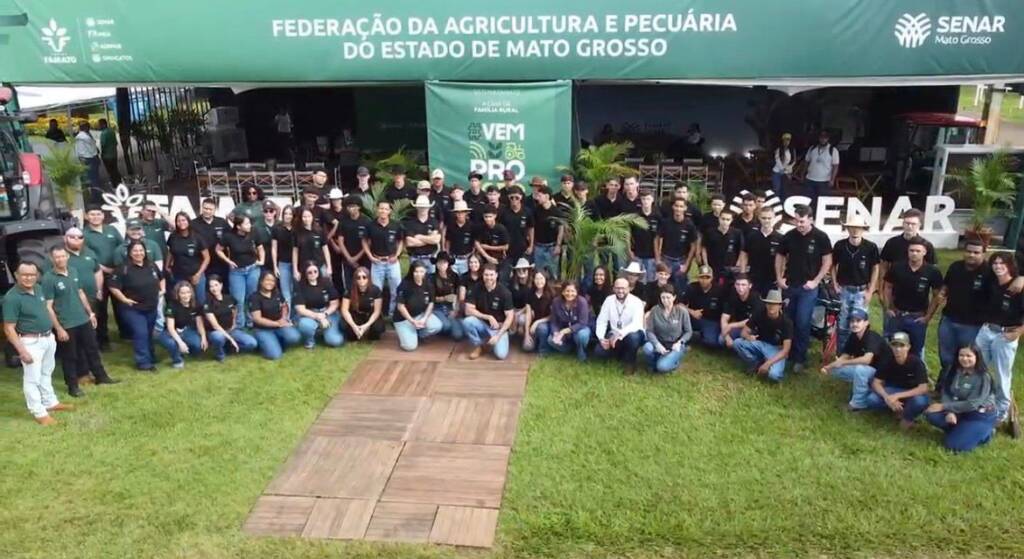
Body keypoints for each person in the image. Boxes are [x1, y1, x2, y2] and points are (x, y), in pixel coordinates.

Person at [42, 246, 117, 397]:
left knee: (92, 349)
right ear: (52, 259)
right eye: (57, 257)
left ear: (67, 257)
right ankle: (72, 386)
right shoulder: (48, 279)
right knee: (70, 356)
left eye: (63, 256)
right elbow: (48, 307)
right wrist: (59, 328)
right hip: (67, 323)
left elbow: (80, 293)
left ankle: (101, 377)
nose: (61, 259)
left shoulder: (73, 271)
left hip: (83, 319)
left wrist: (90, 313)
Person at [3, 262, 71, 425]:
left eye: (32, 275)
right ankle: (39, 412)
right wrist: (22, 350)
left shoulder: (39, 289)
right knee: (32, 378)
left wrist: (58, 329)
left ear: (36, 276)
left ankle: (50, 402)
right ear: (16, 275)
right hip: (30, 341)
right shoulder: (11, 298)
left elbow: (47, 310)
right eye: (24, 275)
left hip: (47, 338)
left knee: (46, 372)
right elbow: (8, 329)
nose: (29, 278)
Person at [775, 204, 832, 372]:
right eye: (796, 221)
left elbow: (827, 261)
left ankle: (800, 358)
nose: (798, 224)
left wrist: (816, 281)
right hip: (790, 285)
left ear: (811, 219)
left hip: (808, 287)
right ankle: (787, 354)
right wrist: (779, 277)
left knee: (802, 321)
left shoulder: (821, 237)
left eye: (802, 221)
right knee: (788, 321)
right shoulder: (789, 236)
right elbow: (779, 255)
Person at [974, 252, 1024, 427]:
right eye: (995, 263)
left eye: (1002, 263)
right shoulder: (992, 282)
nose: (998, 266)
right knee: (980, 369)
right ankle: (984, 402)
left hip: (1006, 335)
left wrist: (1018, 332)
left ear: (1011, 265)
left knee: (1002, 375)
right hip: (987, 330)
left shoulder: (1019, 287)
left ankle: (1002, 413)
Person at [925, 345, 999, 452]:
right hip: (960, 411)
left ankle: (986, 433)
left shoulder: (983, 377)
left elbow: (972, 404)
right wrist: (949, 411)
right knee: (931, 414)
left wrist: (943, 406)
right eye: (961, 355)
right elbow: (946, 392)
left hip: (978, 415)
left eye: (969, 356)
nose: (964, 359)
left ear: (977, 357)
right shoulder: (954, 371)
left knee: (954, 446)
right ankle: (963, 430)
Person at [882, 236, 942, 359]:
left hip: (917, 318)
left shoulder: (932, 271)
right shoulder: (897, 267)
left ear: (924, 252)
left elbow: (937, 296)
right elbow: (887, 287)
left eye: (918, 251)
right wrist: (888, 307)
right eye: (911, 250)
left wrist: (928, 317)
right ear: (907, 251)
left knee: (917, 351)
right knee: (893, 348)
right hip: (897, 315)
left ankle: (917, 375)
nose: (914, 253)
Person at [109, 240, 164, 372]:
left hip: (151, 307)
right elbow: (113, 286)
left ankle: (151, 356)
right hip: (132, 309)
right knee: (141, 333)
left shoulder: (151, 265)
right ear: (130, 253)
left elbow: (162, 278)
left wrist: (162, 290)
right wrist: (124, 299)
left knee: (149, 333)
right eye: (135, 251)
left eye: (141, 250)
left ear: (145, 252)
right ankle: (143, 363)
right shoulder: (123, 268)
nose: (138, 253)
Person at [936, 240, 990, 372]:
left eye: (976, 252)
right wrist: (942, 293)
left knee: (968, 359)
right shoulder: (955, 266)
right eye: (969, 251)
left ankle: (965, 388)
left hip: (973, 325)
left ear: (983, 254)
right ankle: (944, 386)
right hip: (949, 320)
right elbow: (946, 285)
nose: (971, 255)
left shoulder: (989, 272)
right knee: (946, 357)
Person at [820, 308, 889, 410]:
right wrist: (828, 367)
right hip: (868, 371)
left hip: (883, 375)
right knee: (835, 370)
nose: (854, 324)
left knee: (860, 370)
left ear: (866, 323)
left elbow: (866, 360)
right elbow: (844, 356)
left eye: (858, 321)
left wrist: (844, 363)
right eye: (852, 321)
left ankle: (858, 403)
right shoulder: (854, 336)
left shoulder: (871, 336)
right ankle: (866, 388)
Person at [831, 215, 880, 351]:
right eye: (852, 227)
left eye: (858, 228)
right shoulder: (840, 245)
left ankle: (858, 351)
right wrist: (835, 284)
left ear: (863, 229)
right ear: (847, 228)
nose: (855, 230)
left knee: (860, 322)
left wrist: (871, 290)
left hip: (861, 290)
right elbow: (833, 265)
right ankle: (841, 353)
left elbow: (876, 268)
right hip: (844, 289)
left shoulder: (870, 247)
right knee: (843, 322)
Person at [862, 332, 930, 429]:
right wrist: (887, 397)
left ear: (908, 347)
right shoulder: (887, 360)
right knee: (871, 400)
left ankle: (907, 417)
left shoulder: (916, 362)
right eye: (895, 345)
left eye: (902, 345)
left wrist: (897, 396)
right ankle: (895, 410)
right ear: (891, 346)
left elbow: (923, 388)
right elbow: (876, 382)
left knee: (920, 401)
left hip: (911, 394)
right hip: (891, 390)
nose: (898, 349)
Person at [83, 205, 124, 347]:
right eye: (92, 214)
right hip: (98, 276)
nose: (95, 217)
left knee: (120, 305)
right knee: (101, 307)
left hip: (116, 274)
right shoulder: (84, 235)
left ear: (103, 215)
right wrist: (106, 269)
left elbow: (123, 247)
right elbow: (87, 257)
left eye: (98, 214)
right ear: (86, 216)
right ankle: (103, 340)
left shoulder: (111, 230)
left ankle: (125, 334)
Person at [732, 289, 793, 382]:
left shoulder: (786, 322)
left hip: (776, 350)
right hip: (760, 344)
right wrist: (749, 337)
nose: (771, 306)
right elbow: (743, 332)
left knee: (774, 376)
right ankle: (755, 364)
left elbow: (785, 350)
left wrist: (768, 363)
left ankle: (770, 366)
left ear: (780, 306)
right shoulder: (759, 313)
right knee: (737, 343)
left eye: (775, 304)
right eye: (769, 303)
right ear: (766, 304)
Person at [61, 227, 106, 350]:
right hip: (71, 299)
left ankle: (92, 350)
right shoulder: (60, 255)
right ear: (65, 238)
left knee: (92, 324)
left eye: (80, 237)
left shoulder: (90, 253)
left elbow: (97, 272)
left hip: (91, 296)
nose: (76, 239)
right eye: (72, 236)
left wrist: (99, 290)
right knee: (76, 328)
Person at [217, 215, 264, 330]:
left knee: (251, 296)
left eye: (249, 223)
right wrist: (228, 261)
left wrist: (261, 260)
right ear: (238, 226)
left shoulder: (254, 233)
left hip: (252, 268)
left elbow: (260, 247)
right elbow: (218, 250)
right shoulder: (229, 236)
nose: (249, 226)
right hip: (236, 272)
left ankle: (251, 322)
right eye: (246, 224)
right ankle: (239, 324)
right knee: (238, 299)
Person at [463, 264, 515, 360]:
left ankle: (490, 341)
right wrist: (488, 317)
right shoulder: (477, 288)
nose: (488, 278)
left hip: (498, 327)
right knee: (467, 321)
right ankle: (479, 346)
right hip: (482, 323)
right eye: (486, 275)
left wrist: (498, 335)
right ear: (482, 275)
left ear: (496, 275)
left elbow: (510, 316)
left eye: (491, 275)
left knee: (501, 355)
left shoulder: (505, 293)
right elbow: (468, 310)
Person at [593, 278, 646, 372]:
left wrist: (620, 334)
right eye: (617, 288)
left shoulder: (636, 301)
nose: (620, 291)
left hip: (633, 333)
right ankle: (621, 354)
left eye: (623, 288)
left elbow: (636, 323)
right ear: (613, 289)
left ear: (629, 289)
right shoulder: (609, 300)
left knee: (632, 338)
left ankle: (630, 363)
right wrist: (601, 338)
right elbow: (602, 321)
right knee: (599, 351)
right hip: (614, 333)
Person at [203, 275, 258, 362]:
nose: (214, 288)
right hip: (217, 331)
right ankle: (220, 354)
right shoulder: (207, 303)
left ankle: (230, 348)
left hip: (231, 330)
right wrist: (231, 339)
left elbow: (235, 308)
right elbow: (215, 326)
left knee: (252, 343)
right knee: (218, 337)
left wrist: (233, 322)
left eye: (216, 285)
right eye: (211, 286)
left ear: (221, 285)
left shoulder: (228, 298)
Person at [249, 271, 301, 360]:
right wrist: (277, 324)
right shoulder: (254, 297)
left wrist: (284, 318)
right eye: (267, 280)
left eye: (272, 281)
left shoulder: (277, 293)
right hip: (262, 329)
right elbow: (257, 319)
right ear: (261, 281)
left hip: (278, 326)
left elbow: (284, 306)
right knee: (275, 355)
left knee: (295, 337)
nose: (270, 283)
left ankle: (275, 341)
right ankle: (262, 344)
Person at [364, 200, 404, 315]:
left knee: (396, 290)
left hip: (392, 262)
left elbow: (401, 241)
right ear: (377, 209)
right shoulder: (370, 225)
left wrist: (397, 255)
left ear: (390, 211)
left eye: (386, 209)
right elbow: (364, 241)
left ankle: (393, 314)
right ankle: (378, 315)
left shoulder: (396, 225)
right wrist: (370, 256)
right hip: (377, 262)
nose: (383, 211)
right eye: (381, 208)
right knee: (376, 291)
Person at [642, 284, 692, 374]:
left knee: (662, 367)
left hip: (675, 344)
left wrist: (680, 342)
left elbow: (688, 332)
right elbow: (649, 331)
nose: (665, 300)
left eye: (668, 297)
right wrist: (657, 344)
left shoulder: (682, 311)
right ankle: (653, 364)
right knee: (647, 348)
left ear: (674, 297)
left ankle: (674, 363)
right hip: (659, 342)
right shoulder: (655, 310)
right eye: (663, 297)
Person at [293, 261, 344, 349]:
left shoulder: (326, 282)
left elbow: (335, 303)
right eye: (309, 272)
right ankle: (310, 341)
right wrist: (318, 316)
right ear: (305, 273)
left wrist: (324, 314)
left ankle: (327, 333)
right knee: (304, 324)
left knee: (335, 341)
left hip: (328, 313)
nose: (313, 274)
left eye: (315, 271)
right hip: (310, 314)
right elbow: (300, 309)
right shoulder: (300, 286)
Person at [393, 261, 443, 351]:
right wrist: (412, 321)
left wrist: (425, 318)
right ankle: (408, 333)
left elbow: (431, 302)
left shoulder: (428, 283)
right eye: (416, 272)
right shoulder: (404, 285)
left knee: (436, 326)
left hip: (420, 315)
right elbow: (400, 306)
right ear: (412, 272)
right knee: (410, 347)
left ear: (425, 272)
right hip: (404, 319)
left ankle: (418, 333)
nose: (419, 274)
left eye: (421, 272)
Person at [157, 281, 207, 369]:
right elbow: (170, 328)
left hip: (186, 330)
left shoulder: (196, 304)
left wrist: (203, 337)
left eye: (188, 292)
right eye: (182, 293)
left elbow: (199, 323)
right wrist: (180, 343)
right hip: (170, 332)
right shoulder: (172, 305)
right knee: (172, 343)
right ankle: (177, 360)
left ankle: (186, 352)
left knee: (198, 345)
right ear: (178, 294)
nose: (186, 295)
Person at [656, 197, 699, 294]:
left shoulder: (689, 225)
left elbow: (693, 245)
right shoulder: (665, 222)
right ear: (673, 207)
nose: (678, 208)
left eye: (681, 206)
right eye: (676, 206)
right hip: (666, 259)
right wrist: (658, 259)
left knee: (680, 288)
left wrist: (687, 264)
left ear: (685, 208)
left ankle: (679, 306)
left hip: (681, 260)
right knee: (664, 286)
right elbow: (657, 239)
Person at [166, 211, 210, 306]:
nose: (181, 223)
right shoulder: (173, 236)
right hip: (179, 275)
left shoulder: (197, 237)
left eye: (184, 220)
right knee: (182, 302)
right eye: (179, 221)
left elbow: (207, 258)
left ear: (188, 221)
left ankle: (200, 320)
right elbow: (171, 251)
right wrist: (167, 266)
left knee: (200, 301)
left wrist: (198, 274)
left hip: (196, 274)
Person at [542, 281, 592, 361]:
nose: (569, 294)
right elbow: (553, 321)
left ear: (576, 292)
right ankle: (568, 349)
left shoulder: (582, 302)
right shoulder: (556, 302)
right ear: (562, 292)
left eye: (572, 291)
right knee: (551, 340)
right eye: (567, 291)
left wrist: (565, 331)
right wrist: (555, 332)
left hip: (579, 329)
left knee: (582, 336)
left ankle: (581, 351)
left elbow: (583, 323)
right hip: (563, 329)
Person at [744, 206, 782, 297]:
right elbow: (744, 254)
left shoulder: (780, 238)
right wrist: (743, 274)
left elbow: (783, 259)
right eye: (764, 218)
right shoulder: (751, 236)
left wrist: (780, 276)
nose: (767, 220)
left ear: (774, 218)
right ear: (759, 218)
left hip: (772, 279)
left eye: (769, 218)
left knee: (770, 306)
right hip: (753, 277)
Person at [340, 266, 386, 342]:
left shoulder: (375, 290)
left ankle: (368, 332)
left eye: (364, 277)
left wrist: (366, 326)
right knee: (344, 327)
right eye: (358, 277)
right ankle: (355, 332)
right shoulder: (349, 290)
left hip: (369, 315)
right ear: (355, 279)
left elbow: (377, 311)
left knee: (377, 329)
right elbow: (344, 310)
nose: (361, 280)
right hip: (355, 315)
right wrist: (354, 326)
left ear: (369, 278)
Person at [334, 197, 371, 291]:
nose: (351, 209)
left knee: (365, 284)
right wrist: (349, 258)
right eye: (349, 207)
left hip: (364, 258)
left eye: (354, 206)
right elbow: (340, 241)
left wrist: (356, 257)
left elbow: (369, 242)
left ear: (359, 207)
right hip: (347, 259)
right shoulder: (343, 222)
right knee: (349, 286)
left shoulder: (366, 221)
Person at [683, 265, 725, 346]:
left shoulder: (719, 290)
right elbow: (680, 304)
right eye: (702, 277)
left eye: (707, 277)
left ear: (712, 278)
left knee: (711, 342)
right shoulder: (692, 287)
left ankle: (697, 335)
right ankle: (690, 334)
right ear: (698, 278)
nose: (704, 280)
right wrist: (692, 312)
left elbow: (725, 310)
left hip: (711, 321)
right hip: (693, 318)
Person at [701, 210, 745, 287]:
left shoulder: (737, 233)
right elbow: (704, 248)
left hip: (730, 267)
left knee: (729, 288)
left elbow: (741, 250)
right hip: (713, 266)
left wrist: (737, 265)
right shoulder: (710, 232)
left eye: (728, 219)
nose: (725, 222)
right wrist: (706, 264)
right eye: (723, 219)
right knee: (713, 288)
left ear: (731, 220)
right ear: (719, 219)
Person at [719, 274, 764, 349]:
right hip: (738, 327)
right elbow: (724, 317)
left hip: (753, 328)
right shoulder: (732, 296)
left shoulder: (756, 298)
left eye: (743, 285)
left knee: (741, 341)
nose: (740, 288)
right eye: (738, 284)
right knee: (721, 339)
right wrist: (726, 336)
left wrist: (731, 325)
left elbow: (752, 321)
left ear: (750, 286)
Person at [192, 197, 231, 283]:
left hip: (221, 262)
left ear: (215, 210)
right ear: (201, 208)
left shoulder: (222, 222)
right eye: (205, 208)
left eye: (210, 209)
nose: (207, 211)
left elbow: (231, 239)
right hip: (202, 263)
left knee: (224, 289)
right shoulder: (193, 224)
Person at [531, 185, 563, 279]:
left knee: (553, 274)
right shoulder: (536, 210)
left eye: (540, 196)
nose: (538, 198)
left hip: (552, 247)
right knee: (538, 274)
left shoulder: (556, 211)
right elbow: (532, 227)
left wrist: (558, 245)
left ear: (547, 196)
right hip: (539, 247)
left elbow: (561, 229)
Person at [292, 206, 331, 282]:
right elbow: (295, 252)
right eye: (304, 217)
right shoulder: (296, 232)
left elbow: (325, 249)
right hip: (303, 266)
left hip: (320, 265)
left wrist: (329, 266)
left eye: (309, 216)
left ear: (312, 216)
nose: (307, 219)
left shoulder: (319, 230)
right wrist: (295, 270)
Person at [430, 252, 463, 340]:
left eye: (444, 262)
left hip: (451, 307)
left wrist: (456, 310)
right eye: (439, 262)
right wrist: (444, 298)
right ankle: (441, 327)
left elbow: (459, 295)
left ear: (448, 264)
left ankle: (449, 327)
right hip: (437, 308)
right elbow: (430, 298)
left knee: (458, 335)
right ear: (436, 264)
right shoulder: (431, 278)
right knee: (446, 326)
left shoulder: (454, 276)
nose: (442, 265)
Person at [801, 129, 839, 205]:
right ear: (819, 138)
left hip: (824, 181)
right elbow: (806, 162)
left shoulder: (833, 150)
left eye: (825, 137)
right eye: (821, 137)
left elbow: (835, 166)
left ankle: (819, 216)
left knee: (822, 202)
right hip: (810, 179)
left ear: (828, 139)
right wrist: (803, 174)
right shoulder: (812, 148)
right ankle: (810, 216)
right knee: (809, 202)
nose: (823, 139)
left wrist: (832, 180)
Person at [405, 194, 442, 272]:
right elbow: (409, 242)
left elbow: (436, 240)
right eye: (420, 207)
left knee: (431, 282)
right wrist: (429, 239)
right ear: (417, 207)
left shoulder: (434, 222)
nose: (423, 209)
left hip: (430, 259)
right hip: (415, 259)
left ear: (428, 207)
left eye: (425, 207)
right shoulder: (410, 223)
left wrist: (419, 237)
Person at [501, 185, 535, 269]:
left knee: (522, 274)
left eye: (517, 197)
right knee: (505, 275)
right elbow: (501, 231)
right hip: (508, 250)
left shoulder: (527, 211)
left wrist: (531, 246)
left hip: (523, 249)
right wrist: (502, 248)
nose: (514, 200)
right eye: (511, 198)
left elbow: (531, 229)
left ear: (521, 197)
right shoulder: (504, 212)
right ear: (508, 198)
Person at [270, 205, 296, 308]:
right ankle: (287, 315)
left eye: (290, 214)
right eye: (286, 213)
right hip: (283, 263)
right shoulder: (277, 228)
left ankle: (297, 315)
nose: (288, 216)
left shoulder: (297, 228)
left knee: (296, 289)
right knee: (285, 290)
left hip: (297, 263)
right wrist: (275, 266)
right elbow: (274, 248)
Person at [475, 206, 511, 281]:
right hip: (485, 259)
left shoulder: (501, 229)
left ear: (495, 216)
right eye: (486, 217)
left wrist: (488, 247)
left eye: (490, 216)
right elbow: (477, 242)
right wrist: (487, 257)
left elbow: (506, 246)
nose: (488, 219)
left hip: (499, 259)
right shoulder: (481, 227)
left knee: (500, 280)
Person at [522, 269, 553, 352]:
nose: (539, 281)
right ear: (534, 280)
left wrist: (537, 322)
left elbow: (552, 316)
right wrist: (527, 334)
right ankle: (535, 341)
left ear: (546, 280)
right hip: (534, 322)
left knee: (542, 328)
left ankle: (543, 350)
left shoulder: (551, 294)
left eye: (541, 278)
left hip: (547, 322)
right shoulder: (529, 293)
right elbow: (528, 314)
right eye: (537, 279)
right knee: (527, 347)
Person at [444, 200, 477, 276]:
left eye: (462, 212)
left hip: (466, 258)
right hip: (453, 258)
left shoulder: (472, 226)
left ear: (466, 213)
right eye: (458, 212)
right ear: (455, 213)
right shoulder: (451, 225)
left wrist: (473, 256)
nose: (460, 214)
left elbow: (475, 242)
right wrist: (448, 254)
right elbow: (448, 241)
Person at [74, 121, 101, 195]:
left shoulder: (80, 136)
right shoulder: (85, 137)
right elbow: (93, 149)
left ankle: (94, 194)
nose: (89, 129)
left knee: (91, 178)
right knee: (94, 178)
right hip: (90, 159)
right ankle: (96, 196)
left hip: (84, 158)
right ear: (85, 127)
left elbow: (77, 150)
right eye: (88, 127)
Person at [97, 118, 121, 188]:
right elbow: (116, 143)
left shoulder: (103, 134)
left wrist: (102, 153)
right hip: (114, 154)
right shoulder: (112, 131)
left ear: (103, 124)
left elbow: (103, 145)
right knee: (115, 169)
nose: (99, 126)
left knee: (110, 171)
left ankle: (114, 185)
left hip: (107, 156)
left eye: (100, 125)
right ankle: (119, 182)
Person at [771, 132, 795, 200]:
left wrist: (788, 170)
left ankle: (783, 204)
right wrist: (783, 170)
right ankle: (777, 204)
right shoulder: (778, 149)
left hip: (787, 172)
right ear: (782, 140)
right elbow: (777, 160)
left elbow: (794, 161)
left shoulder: (792, 150)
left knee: (785, 190)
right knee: (777, 189)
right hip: (777, 172)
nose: (786, 141)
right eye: (785, 139)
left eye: (788, 140)